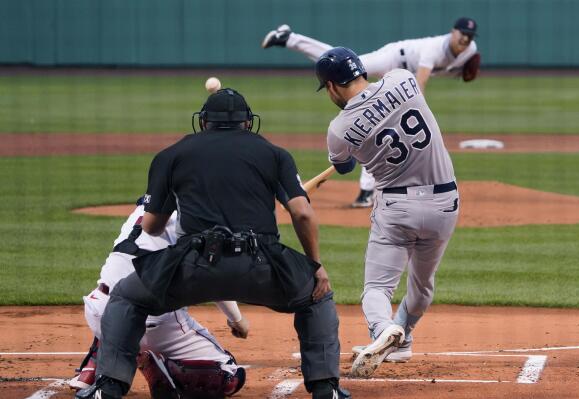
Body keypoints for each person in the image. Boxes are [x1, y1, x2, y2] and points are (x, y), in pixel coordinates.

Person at [75, 89, 350, 399]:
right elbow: (302, 214)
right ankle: (327, 389)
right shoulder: (275, 154)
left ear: (203, 122)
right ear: (248, 123)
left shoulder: (172, 155)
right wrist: (315, 266)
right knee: (317, 297)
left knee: (126, 297)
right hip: (260, 265)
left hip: (193, 267)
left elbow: (151, 226)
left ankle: (108, 388)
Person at [314, 47, 459, 378]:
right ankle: (402, 338)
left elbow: (345, 165)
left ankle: (383, 330)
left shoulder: (339, 128)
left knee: (377, 289)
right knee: (421, 286)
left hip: (397, 210)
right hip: (444, 202)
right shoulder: (403, 79)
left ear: (332, 87)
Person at [262, 17, 478, 208]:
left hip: (400, 78)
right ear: (453, 32)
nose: (466, 39)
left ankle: (366, 191)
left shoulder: (470, 50)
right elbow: (420, 85)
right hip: (393, 59)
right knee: (339, 67)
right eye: (462, 34)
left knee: (377, 128)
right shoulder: (435, 50)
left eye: (469, 36)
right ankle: (289, 38)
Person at [69, 199, 247, 398]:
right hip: (154, 322)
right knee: (232, 377)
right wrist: (236, 319)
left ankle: (93, 367)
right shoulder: (200, 209)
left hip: (98, 310)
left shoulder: (147, 204)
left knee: (119, 300)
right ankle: (157, 364)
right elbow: (212, 277)